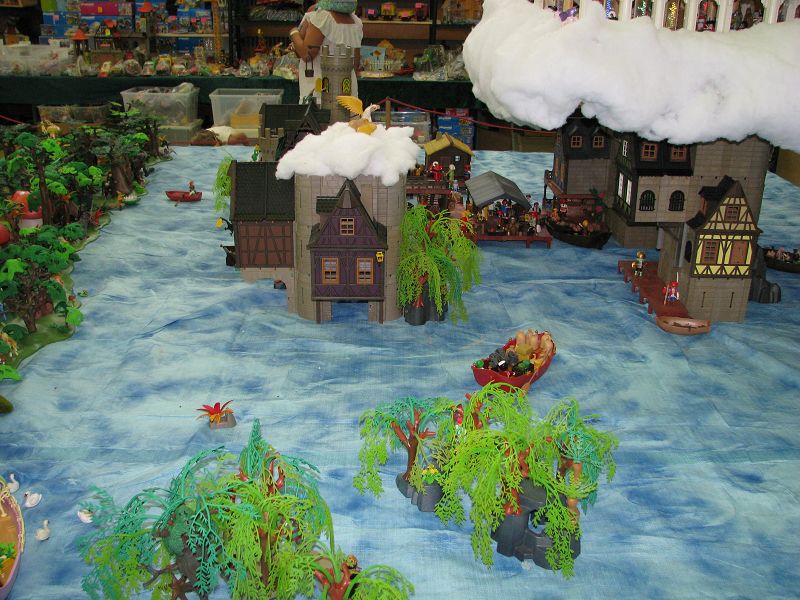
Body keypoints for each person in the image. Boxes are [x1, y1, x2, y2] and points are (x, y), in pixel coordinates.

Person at [288, 0, 363, 106]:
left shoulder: (321, 17)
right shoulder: (356, 21)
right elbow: (355, 64)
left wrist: (293, 32)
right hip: (348, 96)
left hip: (320, 97)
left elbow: (306, 54)